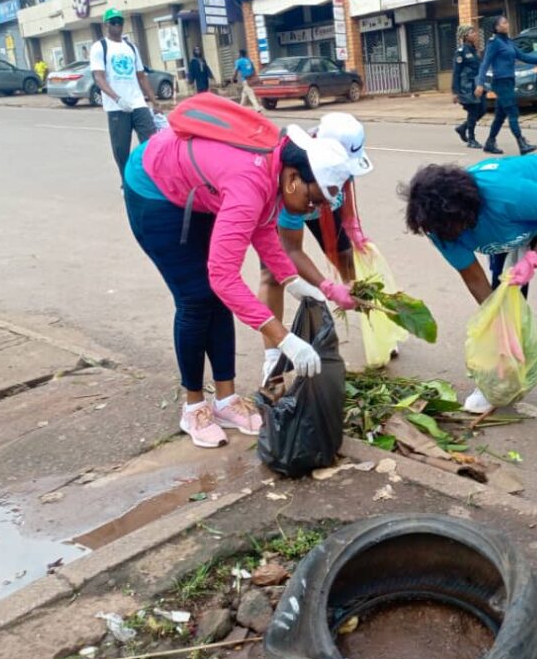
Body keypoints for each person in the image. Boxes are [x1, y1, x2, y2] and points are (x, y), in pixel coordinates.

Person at [123, 95, 365, 448]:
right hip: (155, 190)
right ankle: (194, 406)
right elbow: (224, 276)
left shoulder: (275, 171)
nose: (312, 209)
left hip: (201, 190)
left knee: (217, 301)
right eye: (313, 201)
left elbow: (263, 228)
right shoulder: (250, 183)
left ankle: (225, 400)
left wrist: (295, 282)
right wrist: (284, 338)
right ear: (295, 179)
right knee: (196, 298)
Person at [403, 154, 537, 430]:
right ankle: (500, 382)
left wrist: (534, 257)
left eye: (451, 230)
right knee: (502, 302)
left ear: (467, 214)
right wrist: (498, 323)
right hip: (515, 228)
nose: (448, 238)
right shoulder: (438, 226)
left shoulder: (506, 195)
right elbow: (475, 281)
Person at [258, 112, 374, 382]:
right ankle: (273, 357)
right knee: (272, 277)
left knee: (345, 256)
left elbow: (345, 185)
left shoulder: (339, 159)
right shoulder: (294, 177)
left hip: (320, 199)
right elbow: (291, 248)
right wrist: (327, 287)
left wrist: (351, 224)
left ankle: (371, 327)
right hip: (296, 203)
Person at [90, 8, 159, 176]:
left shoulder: (131, 48)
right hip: (117, 108)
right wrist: (117, 99)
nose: (117, 25)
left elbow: (141, 77)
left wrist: (155, 101)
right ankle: (126, 183)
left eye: (120, 22)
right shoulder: (100, 47)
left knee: (151, 143)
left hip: (137, 103)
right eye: (113, 22)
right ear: (106, 25)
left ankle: (152, 178)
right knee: (122, 150)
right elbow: (99, 78)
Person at [474, 16, 537, 156]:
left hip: (510, 82)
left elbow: (523, 56)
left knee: (500, 115)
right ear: (497, 27)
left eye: (507, 21)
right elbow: (485, 64)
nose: (507, 24)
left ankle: (490, 143)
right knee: (513, 112)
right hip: (500, 83)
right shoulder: (494, 43)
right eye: (504, 22)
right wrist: (480, 83)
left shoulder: (509, 42)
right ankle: (522, 143)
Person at [452, 25, 485, 150]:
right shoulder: (461, 52)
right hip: (467, 86)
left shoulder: (474, 50)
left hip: (476, 85)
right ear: (465, 36)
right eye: (471, 32)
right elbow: (456, 72)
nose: (475, 34)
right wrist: (455, 92)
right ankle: (471, 139)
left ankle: (463, 128)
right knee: (473, 111)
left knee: (482, 109)